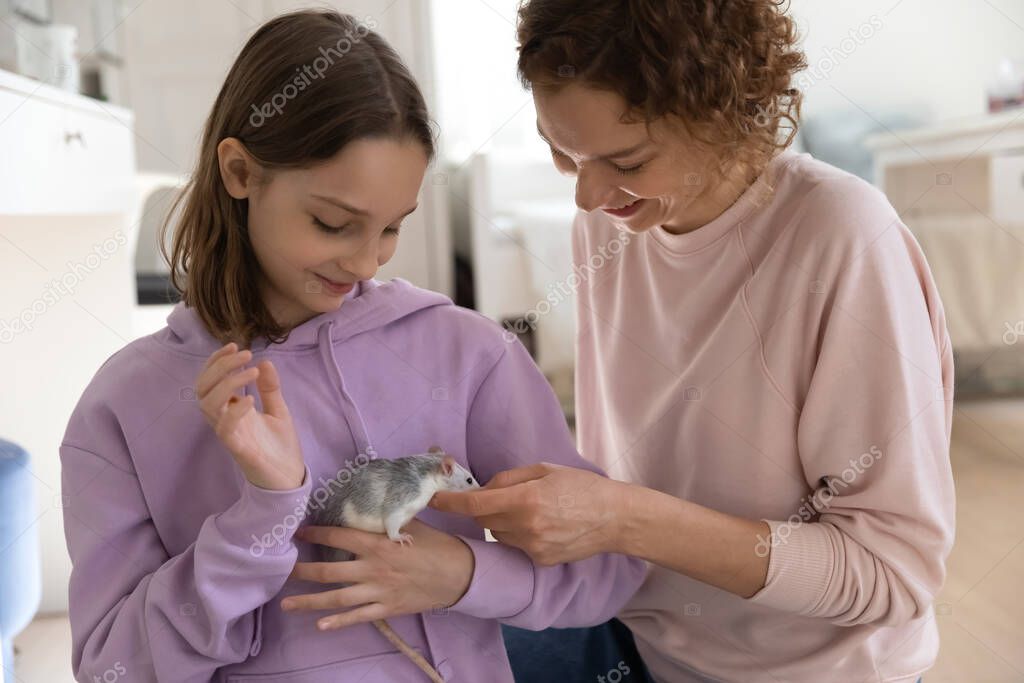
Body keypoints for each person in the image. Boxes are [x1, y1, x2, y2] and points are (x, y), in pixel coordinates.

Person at [58, 10, 645, 682]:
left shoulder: (465, 354)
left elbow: (608, 566)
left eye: (391, 228)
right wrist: (261, 518)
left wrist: (462, 573)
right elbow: (111, 666)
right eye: (334, 223)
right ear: (240, 171)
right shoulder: (123, 405)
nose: (367, 262)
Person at [431, 1, 953, 681]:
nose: (587, 195)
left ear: (722, 115)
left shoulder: (841, 238)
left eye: (627, 159)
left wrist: (623, 518)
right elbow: (612, 473)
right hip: (635, 633)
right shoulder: (613, 223)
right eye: (562, 151)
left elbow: (894, 572)